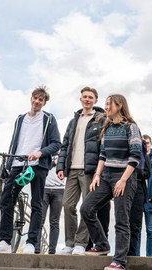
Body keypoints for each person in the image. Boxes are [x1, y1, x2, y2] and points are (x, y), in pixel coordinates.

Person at [0, 86, 61, 254]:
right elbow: (15, 141)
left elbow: (57, 144)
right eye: (35, 98)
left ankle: (31, 242)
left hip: (38, 166)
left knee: (37, 204)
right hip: (17, 164)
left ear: (44, 102)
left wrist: (40, 153)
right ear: (31, 98)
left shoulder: (49, 119)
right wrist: (8, 164)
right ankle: (5, 240)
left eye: (41, 99)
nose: (37, 101)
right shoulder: (20, 119)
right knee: (6, 200)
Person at [81, 94, 141, 270]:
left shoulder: (131, 127)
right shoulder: (107, 129)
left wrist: (123, 180)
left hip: (125, 176)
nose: (106, 107)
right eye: (106, 104)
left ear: (119, 105)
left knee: (121, 220)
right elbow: (103, 155)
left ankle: (119, 261)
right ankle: (101, 244)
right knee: (86, 208)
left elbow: (135, 156)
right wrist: (97, 175)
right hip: (106, 176)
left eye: (109, 104)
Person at [56, 86, 107, 255]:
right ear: (80, 100)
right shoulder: (74, 121)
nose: (87, 99)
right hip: (71, 170)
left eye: (90, 97)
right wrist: (60, 167)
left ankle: (80, 243)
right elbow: (65, 145)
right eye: (84, 97)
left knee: (86, 206)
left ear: (95, 100)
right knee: (67, 205)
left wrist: (100, 171)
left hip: (89, 171)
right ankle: (69, 243)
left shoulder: (100, 119)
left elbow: (103, 146)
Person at [36, 156, 65, 254]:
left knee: (54, 222)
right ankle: (36, 249)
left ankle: (52, 250)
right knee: (39, 220)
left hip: (60, 190)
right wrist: (53, 163)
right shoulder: (44, 150)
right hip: (44, 188)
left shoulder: (63, 152)